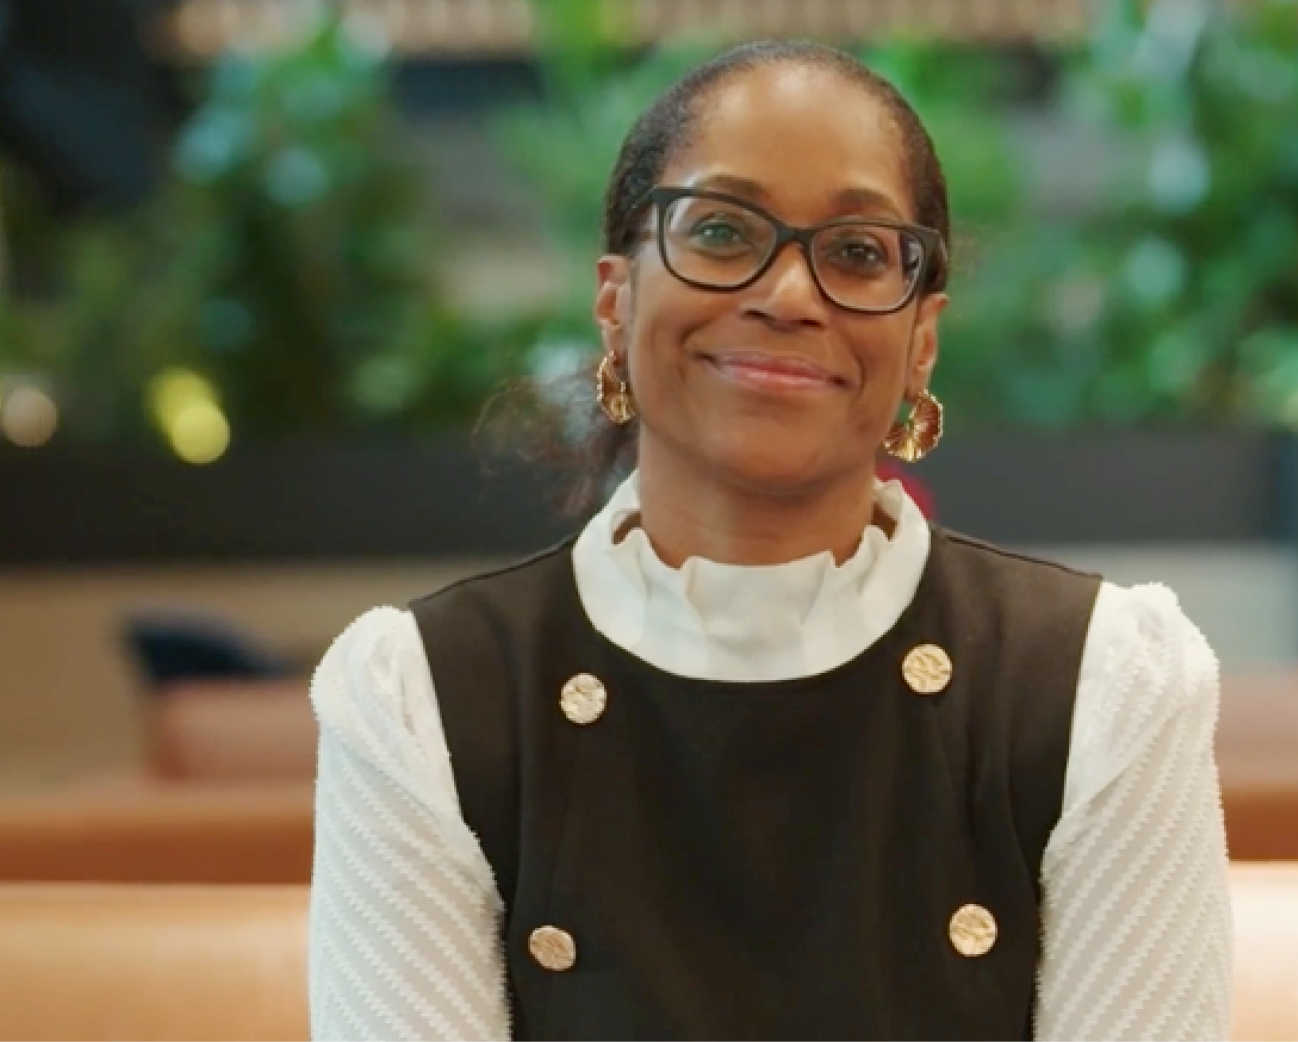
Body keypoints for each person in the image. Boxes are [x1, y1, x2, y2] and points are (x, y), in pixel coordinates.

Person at [307, 39, 1232, 1042]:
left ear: (921, 340)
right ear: (615, 302)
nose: (789, 294)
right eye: (718, 229)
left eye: (856, 252)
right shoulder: (420, 698)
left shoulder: (1102, 683)